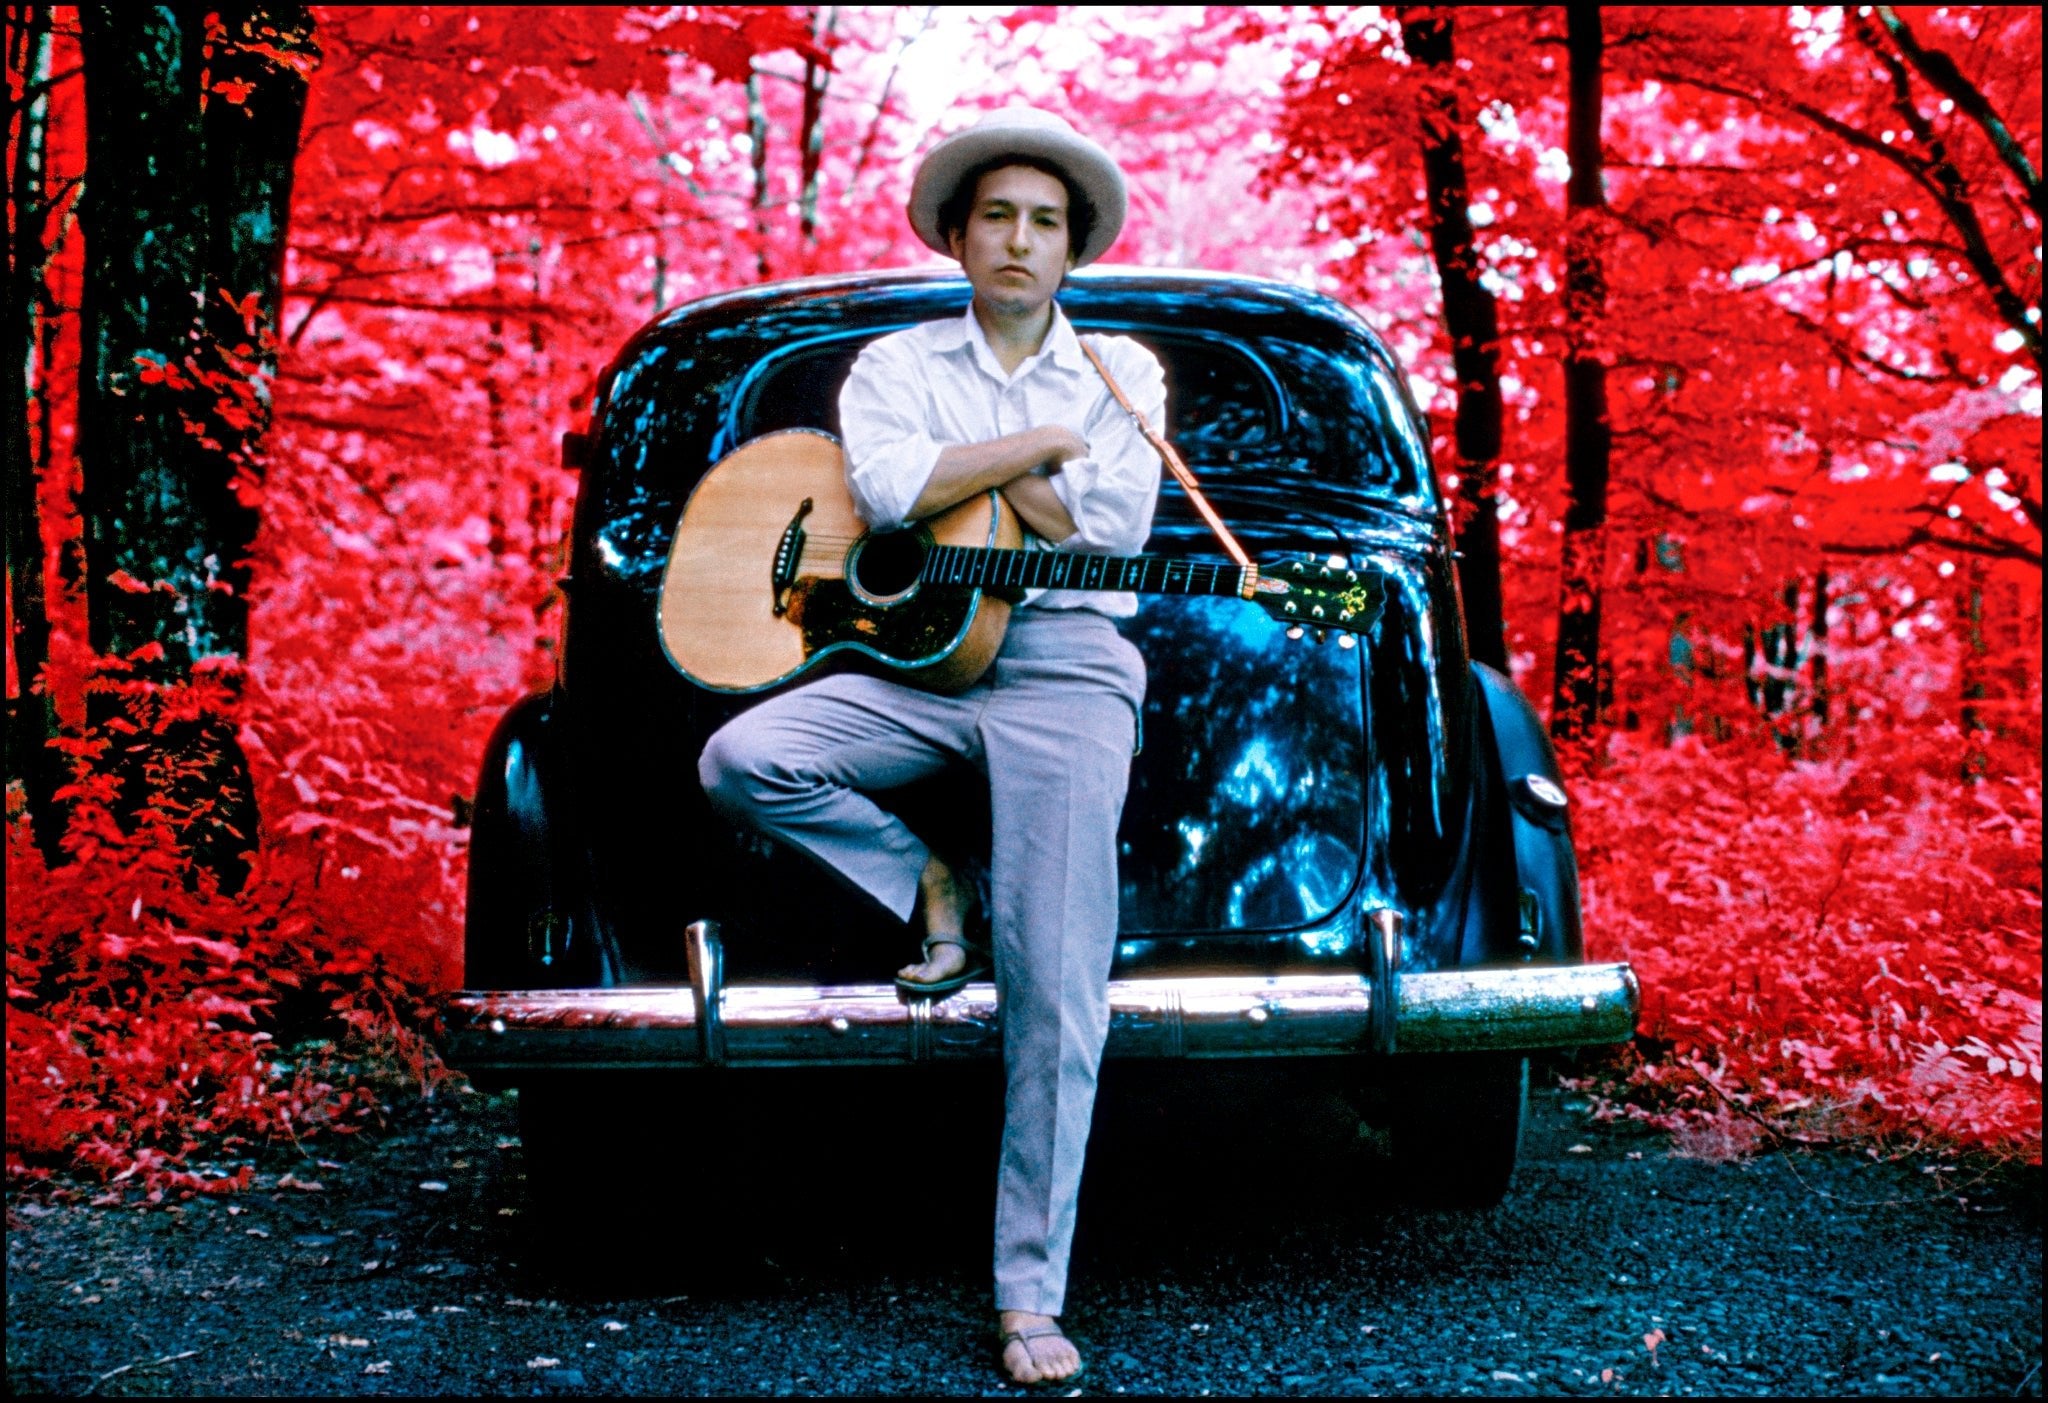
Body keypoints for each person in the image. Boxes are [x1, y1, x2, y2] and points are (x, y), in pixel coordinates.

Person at [696, 106, 1165, 1388]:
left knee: (1056, 987)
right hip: (913, 659)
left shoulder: (1123, 371)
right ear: (958, 236)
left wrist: (1007, 472)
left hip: (1066, 666)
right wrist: (1041, 449)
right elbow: (897, 496)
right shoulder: (894, 364)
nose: (1019, 240)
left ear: (1071, 251)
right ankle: (928, 881)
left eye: (1044, 222)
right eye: (996, 216)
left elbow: (1112, 541)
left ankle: (1027, 1295)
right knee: (742, 758)